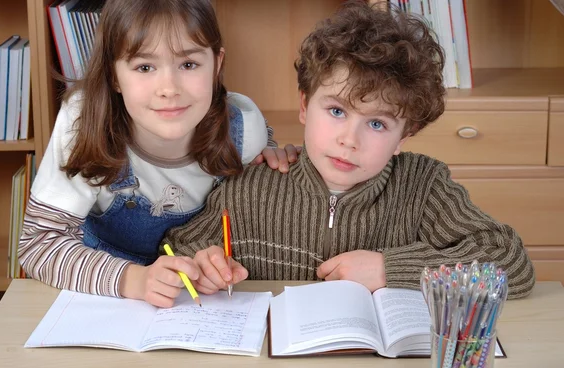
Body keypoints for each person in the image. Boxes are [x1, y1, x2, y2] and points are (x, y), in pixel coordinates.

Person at [162, 0, 535, 300]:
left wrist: (390, 269)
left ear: (405, 136)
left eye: (377, 123)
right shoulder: (247, 185)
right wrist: (201, 263)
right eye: (337, 111)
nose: (349, 140)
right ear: (305, 105)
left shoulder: (424, 186)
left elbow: (510, 263)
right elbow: (176, 249)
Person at [18, 0, 300, 308]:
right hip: (107, 296)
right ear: (114, 74)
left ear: (217, 65)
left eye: (188, 65)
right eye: (144, 67)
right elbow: (37, 243)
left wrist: (274, 158)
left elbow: (261, 156)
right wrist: (133, 280)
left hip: (199, 302)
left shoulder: (243, 130)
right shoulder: (84, 125)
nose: (169, 89)